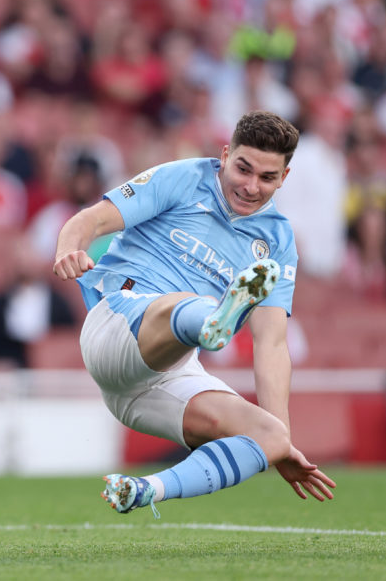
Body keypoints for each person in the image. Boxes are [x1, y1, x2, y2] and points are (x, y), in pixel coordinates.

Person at [52, 111, 335, 517]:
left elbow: (271, 343)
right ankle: (210, 320)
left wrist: (278, 446)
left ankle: (145, 490)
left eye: (267, 177)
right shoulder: (183, 178)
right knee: (186, 303)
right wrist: (68, 249)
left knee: (272, 434)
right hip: (116, 325)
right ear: (224, 155)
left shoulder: (277, 239)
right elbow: (91, 219)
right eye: (243, 169)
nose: (252, 186)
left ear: (284, 178)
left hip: (165, 377)